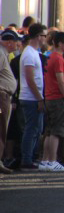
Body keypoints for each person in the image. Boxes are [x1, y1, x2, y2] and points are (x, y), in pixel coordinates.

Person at [40, 32, 64, 171]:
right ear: (59, 43)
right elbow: (60, 80)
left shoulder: (50, 56)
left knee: (49, 131)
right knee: (56, 131)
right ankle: (52, 161)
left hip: (49, 97)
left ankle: (45, 160)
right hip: (57, 98)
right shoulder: (58, 58)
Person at [19, 24, 48, 170]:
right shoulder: (29, 53)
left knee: (37, 128)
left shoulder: (34, 52)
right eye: (44, 35)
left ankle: (30, 157)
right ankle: (26, 159)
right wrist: (39, 98)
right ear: (38, 36)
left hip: (33, 97)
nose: (45, 39)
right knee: (31, 129)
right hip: (30, 98)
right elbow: (29, 78)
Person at [0, 29, 18, 173]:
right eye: (16, 41)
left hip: (5, 95)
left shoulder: (4, 54)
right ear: (9, 42)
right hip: (2, 95)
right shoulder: (1, 53)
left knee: (3, 130)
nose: (17, 44)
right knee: (1, 129)